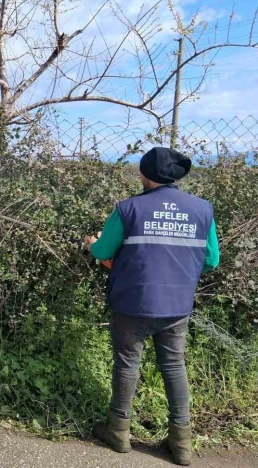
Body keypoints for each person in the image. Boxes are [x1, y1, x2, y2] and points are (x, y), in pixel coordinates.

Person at [83, 147, 220, 466]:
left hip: (133, 302)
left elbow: (103, 248)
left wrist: (92, 245)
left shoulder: (128, 208)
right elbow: (211, 260)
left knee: (128, 363)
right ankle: (182, 443)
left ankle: (118, 431)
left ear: (145, 175)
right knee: (174, 365)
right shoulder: (203, 210)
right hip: (177, 305)